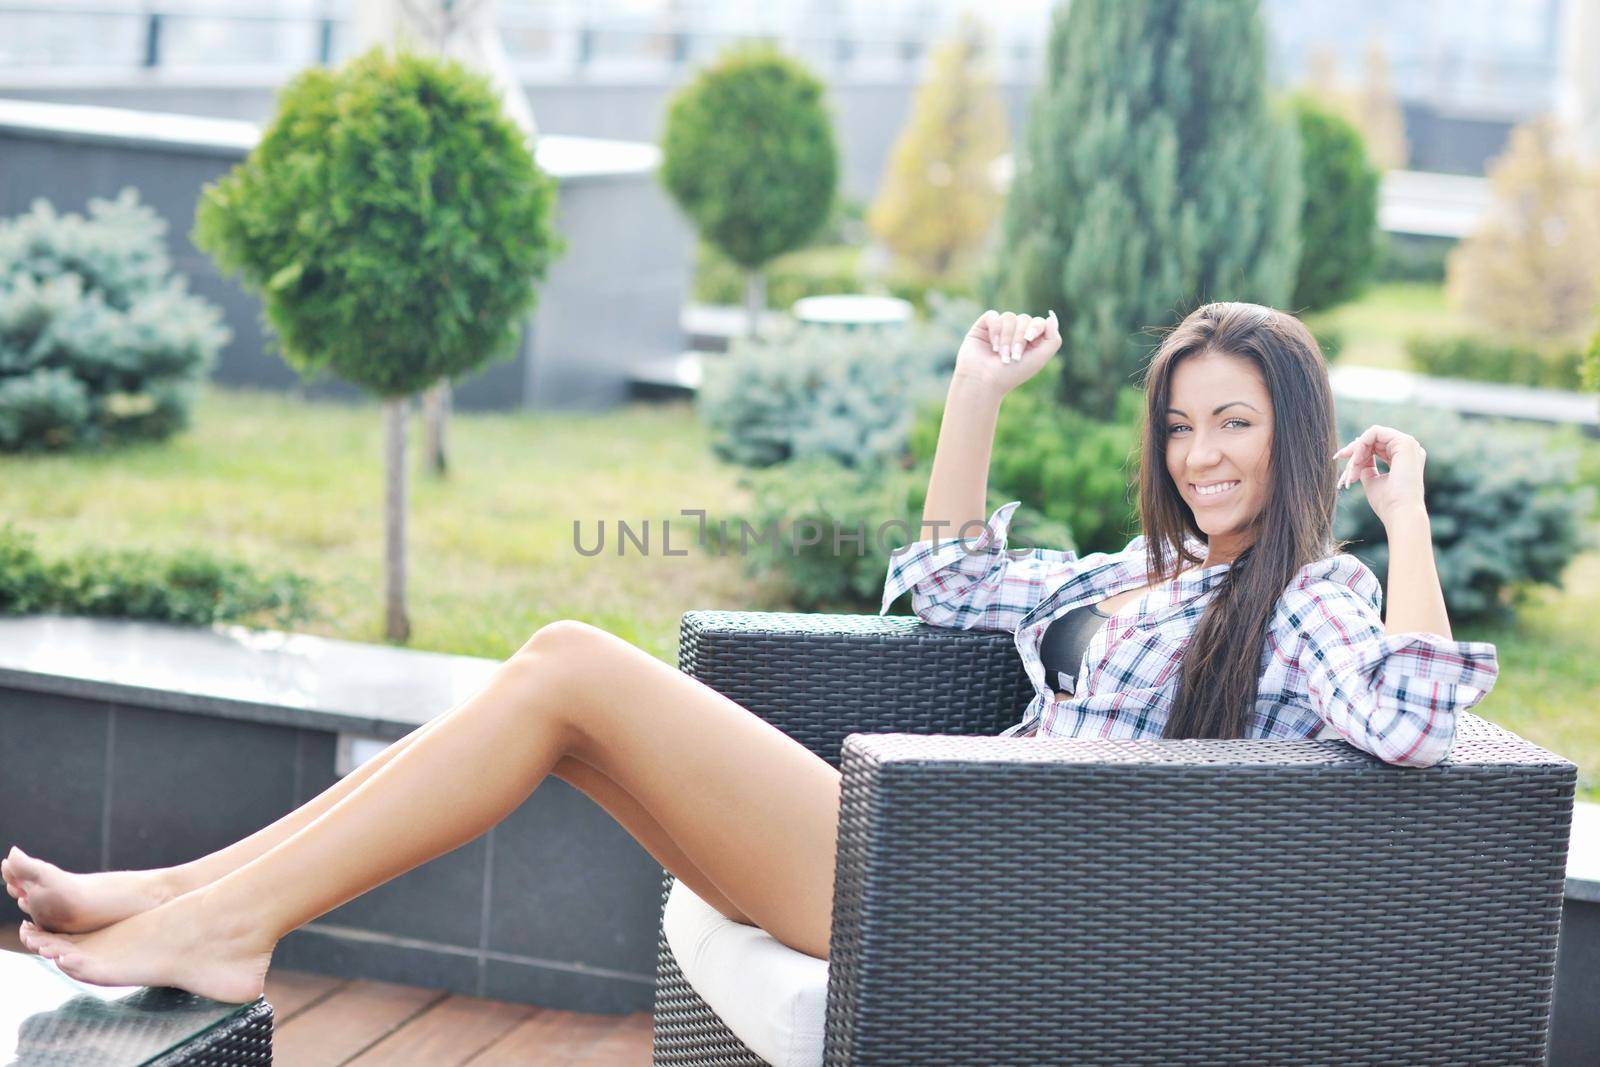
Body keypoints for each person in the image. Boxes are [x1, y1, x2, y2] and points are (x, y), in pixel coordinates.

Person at [4, 302, 1496, 1004]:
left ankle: (217, 916)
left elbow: (1418, 724)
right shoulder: (1145, 567)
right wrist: (974, 395)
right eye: (1182, 423)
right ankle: (195, 896)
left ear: (1290, 428)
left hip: (965, 889)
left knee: (574, 660)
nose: (1201, 451)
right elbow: (949, 588)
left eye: (1234, 421)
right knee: (559, 695)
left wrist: (1400, 513)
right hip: (925, 846)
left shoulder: (1313, 593)